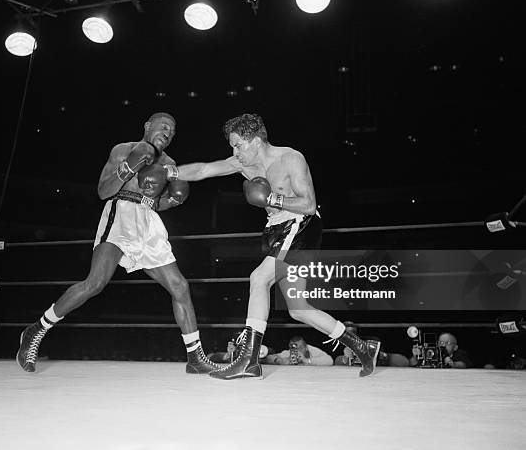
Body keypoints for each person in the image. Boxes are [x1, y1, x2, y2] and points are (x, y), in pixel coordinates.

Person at [162, 113, 380, 379]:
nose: (234, 152)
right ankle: (362, 347)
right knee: (299, 309)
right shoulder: (243, 163)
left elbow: (309, 204)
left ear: (255, 141)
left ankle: (249, 361)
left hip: (301, 225)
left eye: (238, 145)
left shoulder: (290, 159)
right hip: (277, 230)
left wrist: (272, 198)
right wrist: (168, 172)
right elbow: (204, 170)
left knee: (259, 279)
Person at [16, 112, 219, 374]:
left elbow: (155, 202)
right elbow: (103, 190)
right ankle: (37, 330)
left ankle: (195, 357)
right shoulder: (123, 149)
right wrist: (128, 168)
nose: (168, 132)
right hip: (119, 211)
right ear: (147, 126)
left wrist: (171, 201)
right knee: (95, 283)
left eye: (173, 130)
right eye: (164, 126)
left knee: (180, 286)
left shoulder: (169, 163)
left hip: (147, 220)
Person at [263, 335, 333, 366]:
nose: (297, 351)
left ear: (306, 347)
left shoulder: (312, 350)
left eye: (300, 348)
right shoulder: (288, 353)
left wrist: (307, 361)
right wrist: (280, 361)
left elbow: (330, 360)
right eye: (293, 348)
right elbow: (268, 358)